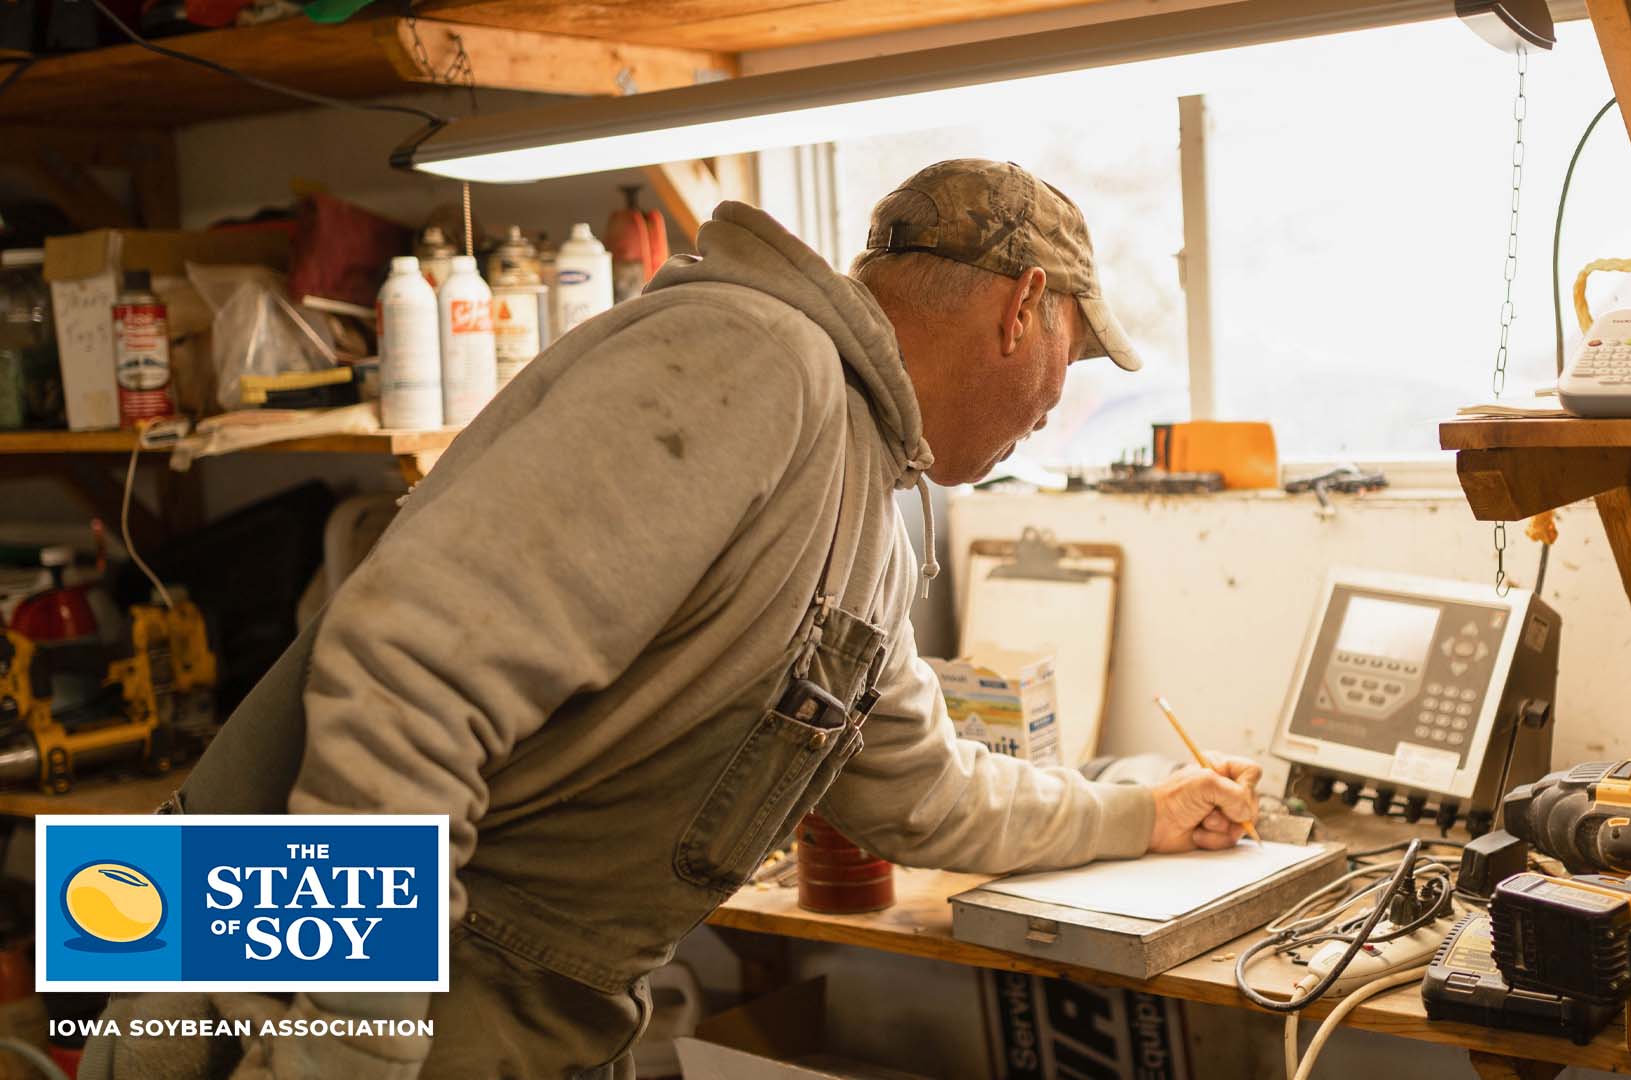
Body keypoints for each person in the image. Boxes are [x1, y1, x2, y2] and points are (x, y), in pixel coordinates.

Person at [89, 160, 1262, 1079]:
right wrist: (356, 1050)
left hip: (504, 996)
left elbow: (920, 792)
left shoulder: (866, 492)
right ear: (1024, 309)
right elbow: (414, 669)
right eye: (1071, 362)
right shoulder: (755, 361)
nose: (1055, 407)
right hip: (322, 968)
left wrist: (1143, 813)